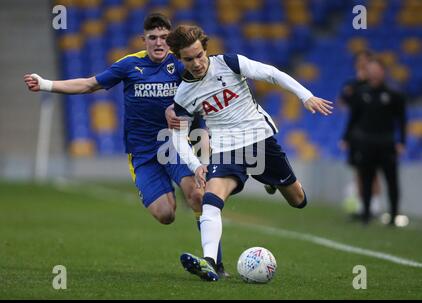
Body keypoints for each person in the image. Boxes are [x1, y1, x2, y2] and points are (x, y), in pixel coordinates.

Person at [23, 13, 227, 276]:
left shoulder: (180, 66)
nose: (158, 42)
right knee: (166, 215)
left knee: (198, 196)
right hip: (142, 154)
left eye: (164, 37)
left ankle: (214, 265)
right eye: (152, 37)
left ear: (171, 40)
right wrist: (45, 84)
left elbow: (205, 94)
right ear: (143, 39)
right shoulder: (129, 65)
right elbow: (89, 84)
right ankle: (171, 192)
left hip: (174, 147)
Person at [165, 25, 333, 281]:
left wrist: (305, 96)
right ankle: (209, 262)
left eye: (200, 55)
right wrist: (196, 165)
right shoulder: (184, 95)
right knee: (210, 200)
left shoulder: (230, 63)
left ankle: (270, 182)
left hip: (259, 139)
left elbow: (271, 74)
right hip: (224, 149)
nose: (197, 63)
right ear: (179, 59)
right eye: (189, 59)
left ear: (205, 49)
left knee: (298, 200)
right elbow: (177, 135)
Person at [342, 58, 407, 225]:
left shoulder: (393, 94)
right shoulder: (361, 92)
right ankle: (365, 214)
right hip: (366, 142)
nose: (373, 72)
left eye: (376, 69)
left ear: (382, 71)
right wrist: (346, 137)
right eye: (370, 69)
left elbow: (401, 120)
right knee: (366, 179)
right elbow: (353, 117)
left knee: (391, 180)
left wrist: (402, 141)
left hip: (387, 142)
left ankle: (393, 215)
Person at [340, 50, 382, 218]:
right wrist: (346, 136)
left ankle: (376, 206)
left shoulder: (376, 85)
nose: (363, 65)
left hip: (375, 133)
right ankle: (362, 206)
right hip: (357, 134)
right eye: (360, 62)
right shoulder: (353, 84)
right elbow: (343, 101)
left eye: (366, 61)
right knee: (358, 170)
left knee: (374, 171)